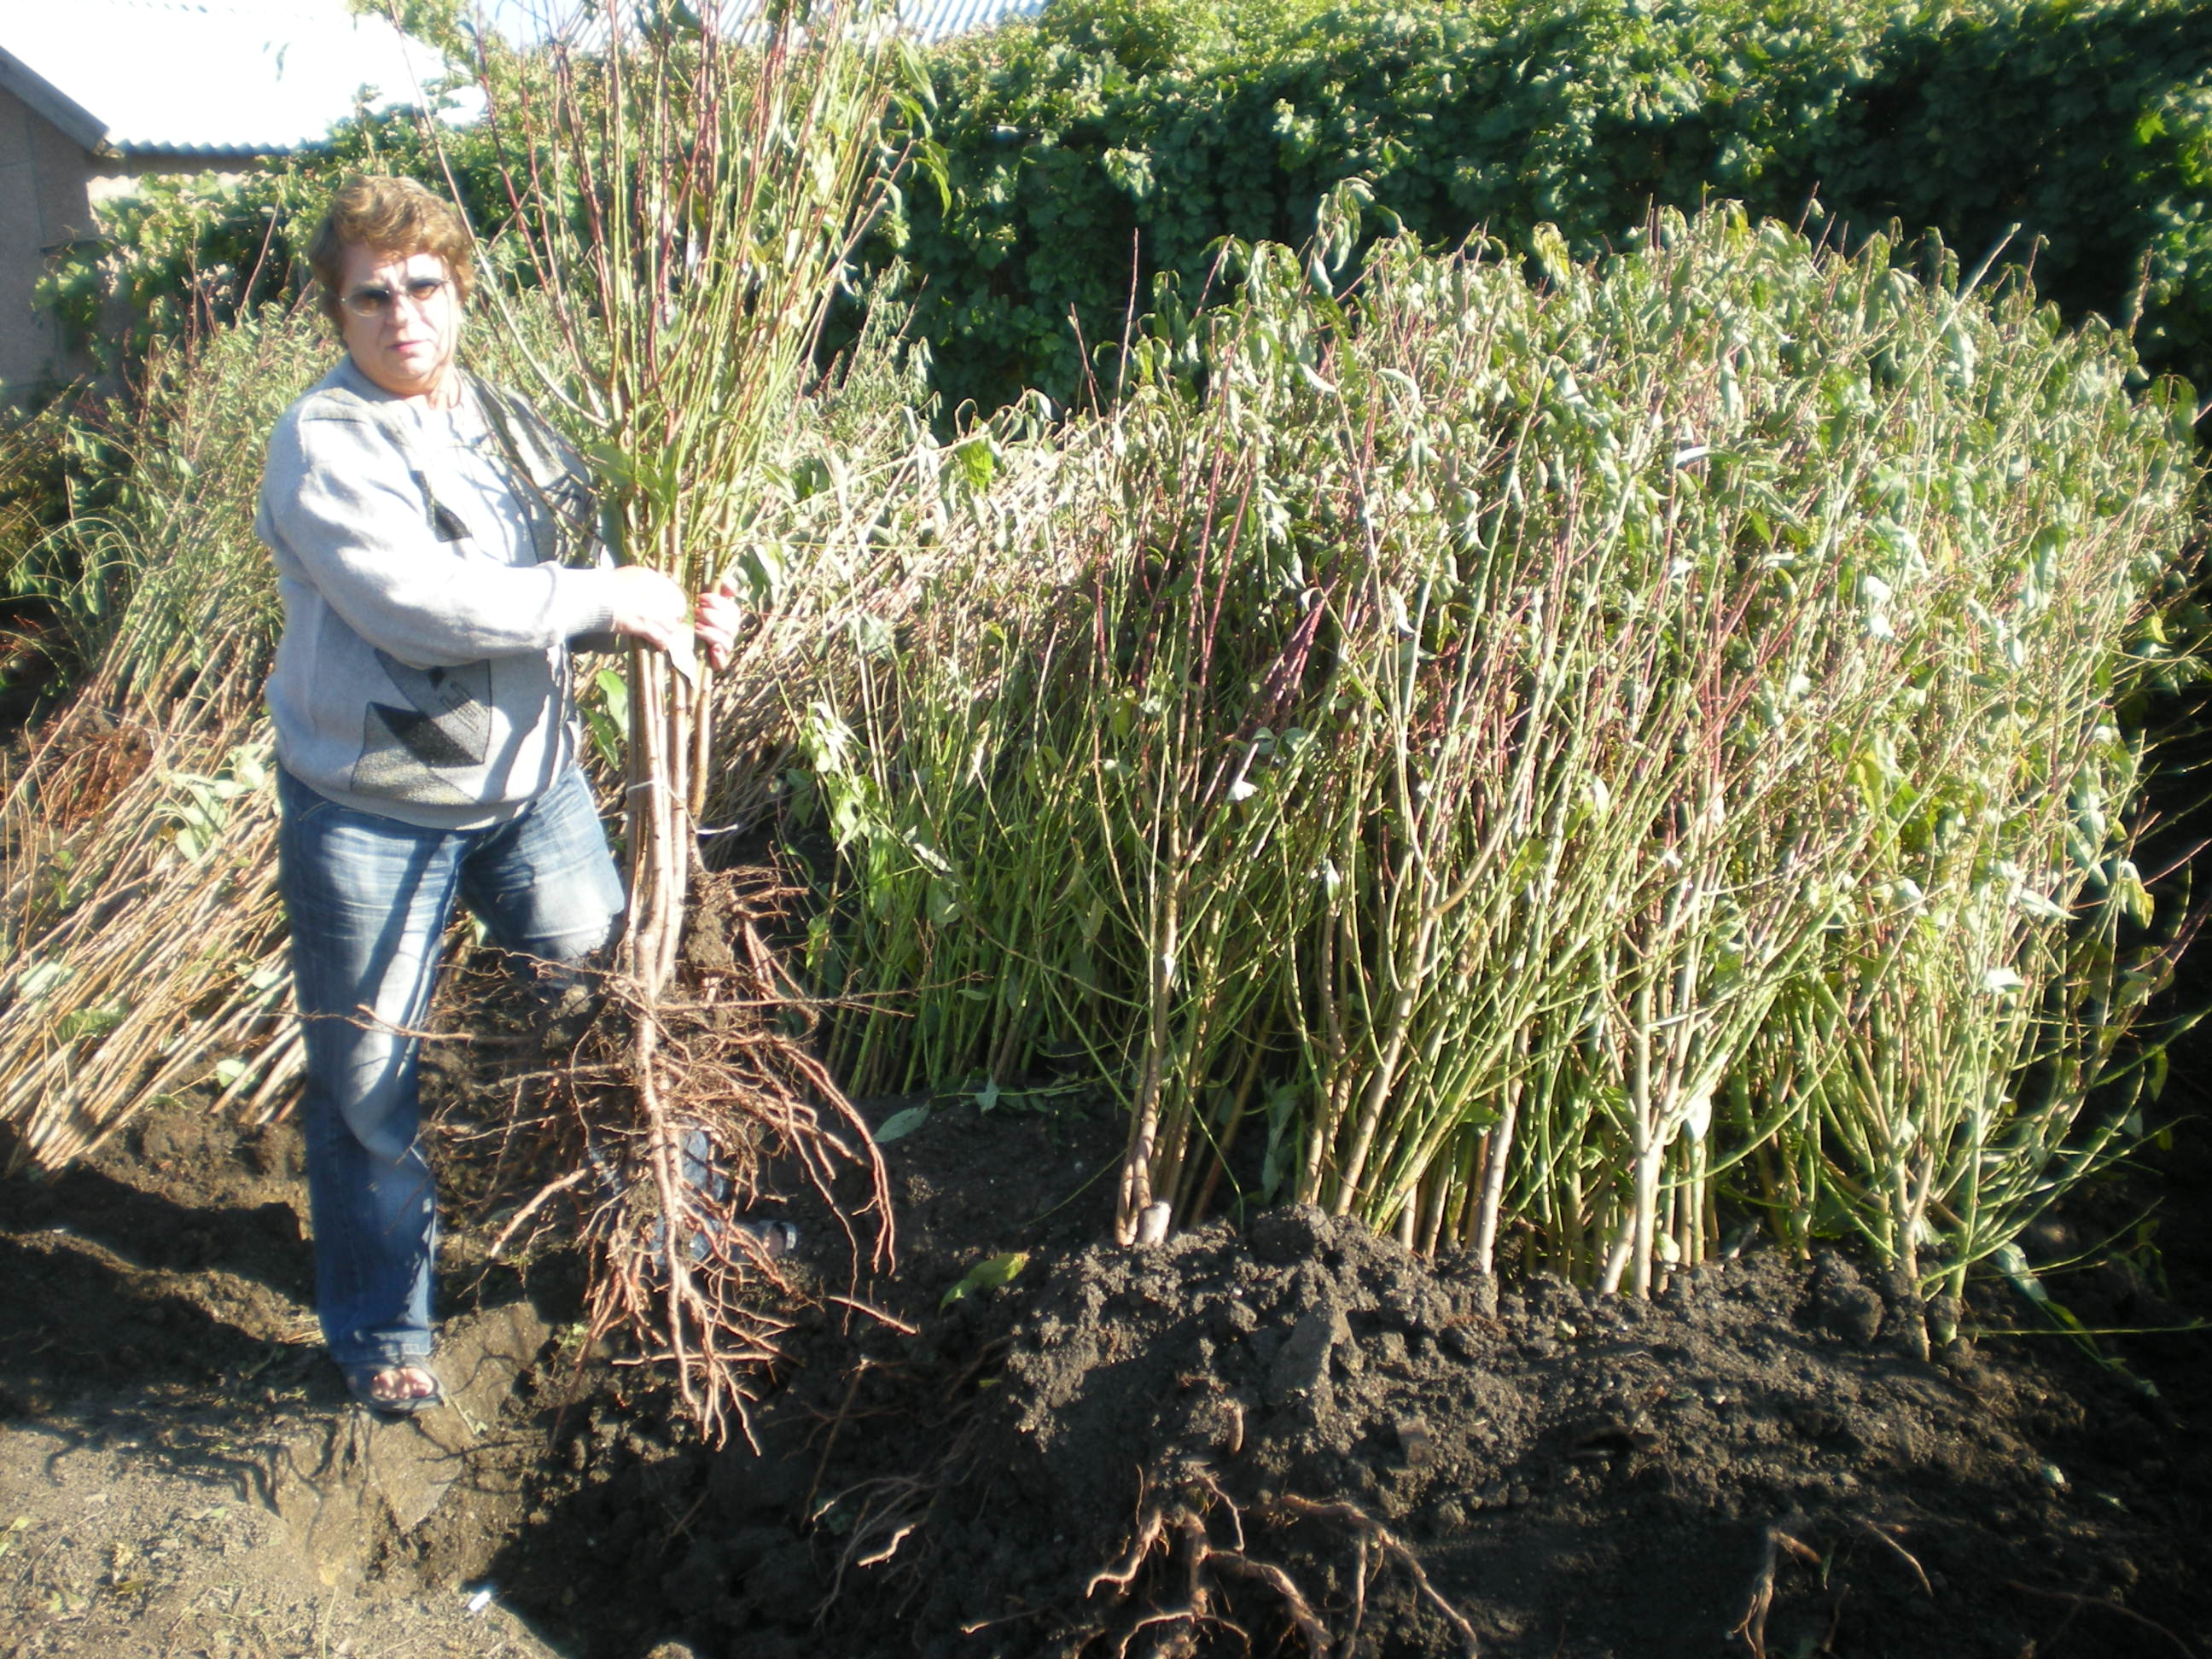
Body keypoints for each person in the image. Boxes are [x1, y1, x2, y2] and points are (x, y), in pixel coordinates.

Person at [257, 175, 744, 1414]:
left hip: (531, 790)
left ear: (459, 289)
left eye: (423, 285)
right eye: (371, 294)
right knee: (368, 1090)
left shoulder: (514, 425)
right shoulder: (323, 441)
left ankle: (683, 1248)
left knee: (617, 1013)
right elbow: (414, 600)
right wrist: (603, 598)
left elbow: (593, 567)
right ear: (338, 312)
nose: (401, 314)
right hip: (371, 807)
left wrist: (681, 603)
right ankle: (385, 1331)